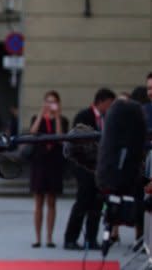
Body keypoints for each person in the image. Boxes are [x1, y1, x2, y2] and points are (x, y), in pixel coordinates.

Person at [63, 88, 116, 250]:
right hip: (83, 166)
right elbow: (75, 144)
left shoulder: (108, 118)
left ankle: (91, 239)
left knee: (97, 203)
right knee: (83, 201)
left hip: (99, 167)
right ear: (101, 102)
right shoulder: (83, 116)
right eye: (109, 103)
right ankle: (71, 238)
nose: (111, 107)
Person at [29, 90, 69, 248]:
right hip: (39, 163)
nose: (51, 105)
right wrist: (41, 114)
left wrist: (57, 116)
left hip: (54, 163)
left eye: (54, 102)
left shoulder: (62, 120)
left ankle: (49, 237)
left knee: (52, 201)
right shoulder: (37, 118)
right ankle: (37, 238)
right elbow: (32, 133)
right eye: (48, 101)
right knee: (38, 201)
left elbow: (60, 137)